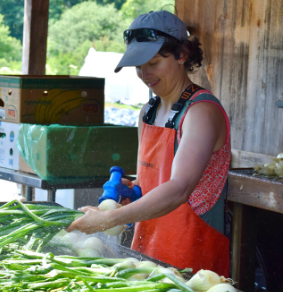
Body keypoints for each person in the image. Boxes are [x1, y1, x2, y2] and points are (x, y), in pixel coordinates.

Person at [66, 10, 231, 276]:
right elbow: (151, 185)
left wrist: (107, 219)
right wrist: (129, 195)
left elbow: (179, 189)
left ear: (181, 55)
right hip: (145, 254)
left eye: (153, 62)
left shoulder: (201, 112)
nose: (145, 74)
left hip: (192, 265)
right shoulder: (148, 112)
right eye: (139, 66)